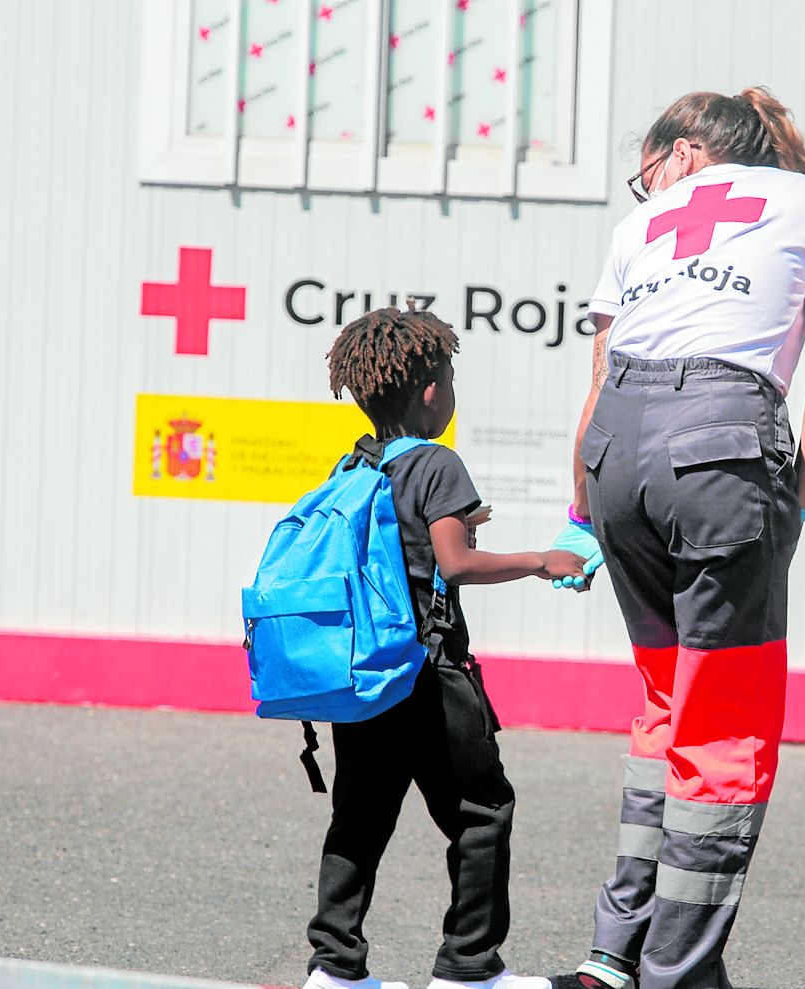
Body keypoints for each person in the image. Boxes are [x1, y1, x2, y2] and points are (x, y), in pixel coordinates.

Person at [558, 88, 805, 989]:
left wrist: (582, 510)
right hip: (723, 451)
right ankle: (680, 973)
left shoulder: (644, 222)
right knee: (725, 720)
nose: (643, 182)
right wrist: (797, 497)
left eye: (644, 165)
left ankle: (613, 953)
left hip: (618, 450)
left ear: (685, 154)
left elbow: (599, 375)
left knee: (665, 702)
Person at [307, 306, 585, 989]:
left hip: (366, 677)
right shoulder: (438, 463)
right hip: (430, 676)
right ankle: (468, 968)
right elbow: (454, 565)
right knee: (482, 812)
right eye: (450, 377)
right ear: (431, 390)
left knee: (360, 818)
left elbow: (408, 552)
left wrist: (454, 530)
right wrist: (539, 559)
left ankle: (335, 969)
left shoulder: (357, 464)